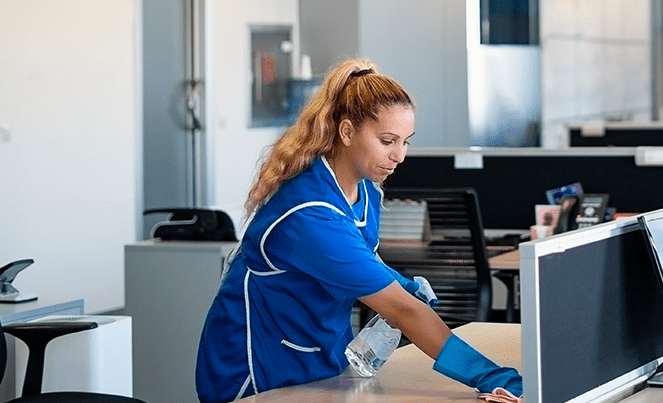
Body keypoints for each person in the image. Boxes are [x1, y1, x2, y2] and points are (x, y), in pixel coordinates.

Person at [195, 58, 521, 403]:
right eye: (387, 140)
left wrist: (396, 281)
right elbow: (403, 311)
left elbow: (360, 257)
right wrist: (489, 376)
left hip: (319, 361)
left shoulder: (364, 190)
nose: (399, 156)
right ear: (347, 132)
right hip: (258, 373)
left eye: (406, 141)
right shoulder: (310, 216)